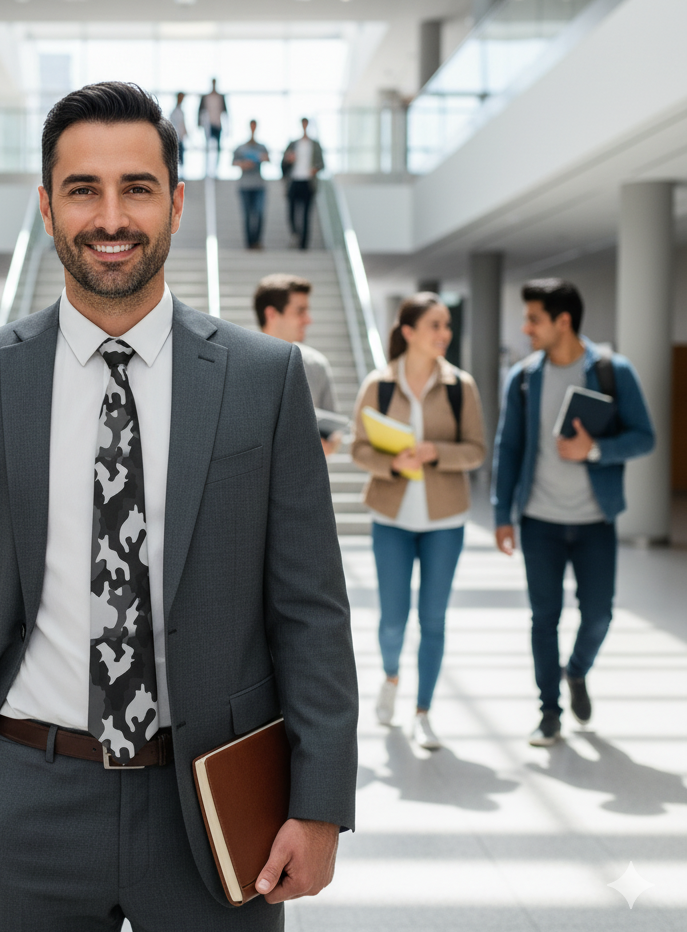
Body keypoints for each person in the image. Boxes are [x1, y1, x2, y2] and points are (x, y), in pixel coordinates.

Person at [0, 81, 357, 932]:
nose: (112, 217)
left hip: (219, 806)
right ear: (46, 206)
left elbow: (311, 610)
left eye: (137, 187)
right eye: (83, 189)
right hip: (23, 796)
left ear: (177, 204)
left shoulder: (265, 379)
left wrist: (321, 801)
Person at [493, 279, 654, 746]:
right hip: (539, 520)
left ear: (563, 321)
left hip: (594, 522)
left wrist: (595, 450)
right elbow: (509, 447)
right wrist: (503, 513)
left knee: (599, 614)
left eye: (534, 319)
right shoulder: (523, 378)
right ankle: (549, 712)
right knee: (544, 618)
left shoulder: (612, 371)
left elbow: (644, 436)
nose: (526, 329)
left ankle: (576, 671)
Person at [351, 294, 486, 749]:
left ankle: (423, 711)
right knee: (393, 619)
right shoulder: (379, 384)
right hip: (391, 516)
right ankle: (391, 677)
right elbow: (358, 448)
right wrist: (392, 462)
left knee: (434, 619)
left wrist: (435, 453)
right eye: (435, 325)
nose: (443, 333)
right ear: (408, 331)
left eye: (446, 325)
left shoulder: (459, 385)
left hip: (445, 519)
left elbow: (476, 450)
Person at [255, 273, 340, 456]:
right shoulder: (237, 364)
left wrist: (328, 445)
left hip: (303, 478)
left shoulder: (317, 365)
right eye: (300, 311)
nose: (308, 320)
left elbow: (335, 432)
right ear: (271, 314)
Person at [281, 118, 324, 250]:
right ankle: (295, 234)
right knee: (292, 213)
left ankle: (304, 245)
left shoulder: (315, 145)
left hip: (308, 182)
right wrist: (289, 160)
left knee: (306, 215)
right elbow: (283, 163)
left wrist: (314, 169)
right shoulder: (293, 144)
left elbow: (321, 164)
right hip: (294, 181)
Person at [232, 120, 270, 249]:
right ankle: (249, 244)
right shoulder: (241, 147)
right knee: (247, 215)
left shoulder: (261, 147)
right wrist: (244, 164)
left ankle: (257, 241)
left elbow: (268, 159)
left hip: (259, 185)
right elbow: (234, 162)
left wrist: (263, 158)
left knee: (259, 213)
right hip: (245, 185)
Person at [198, 77, 227, 168]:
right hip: (208, 126)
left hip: (217, 124)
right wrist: (199, 123)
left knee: (217, 148)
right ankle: (206, 167)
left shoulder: (221, 97)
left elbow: (225, 112)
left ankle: (216, 168)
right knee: (207, 148)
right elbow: (200, 111)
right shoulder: (206, 97)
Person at [169, 91, 188, 169]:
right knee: (178, 158)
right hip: (177, 138)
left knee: (181, 158)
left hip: (181, 138)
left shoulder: (180, 111)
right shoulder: (175, 112)